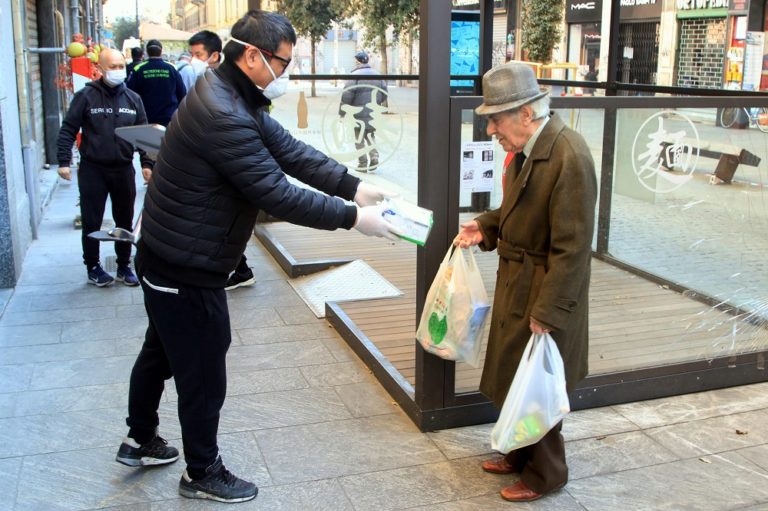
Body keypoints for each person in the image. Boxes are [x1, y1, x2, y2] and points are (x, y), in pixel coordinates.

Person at [117, 10, 399, 504]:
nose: (284, 74)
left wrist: (355, 187)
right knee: (202, 370)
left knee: (160, 350)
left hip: (169, 256)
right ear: (252, 55)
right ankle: (201, 471)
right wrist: (354, 219)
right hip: (186, 266)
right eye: (282, 64)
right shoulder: (222, 112)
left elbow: (290, 152)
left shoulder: (232, 95)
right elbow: (276, 192)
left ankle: (139, 440)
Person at [454, 62, 597, 502]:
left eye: (496, 118)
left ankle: (546, 473)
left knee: (537, 384)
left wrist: (550, 310)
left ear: (526, 114)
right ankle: (518, 453)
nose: (491, 128)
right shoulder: (529, 150)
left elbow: (572, 248)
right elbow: (515, 211)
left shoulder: (568, 156)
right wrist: (485, 226)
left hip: (543, 286)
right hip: (520, 281)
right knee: (515, 373)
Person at [56, 48, 153, 287]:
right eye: (113, 67)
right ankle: (93, 267)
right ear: (100, 68)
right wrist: (63, 162)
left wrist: (147, 164)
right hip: (93, 169)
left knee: (124, 221)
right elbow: (68, 128)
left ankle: (123, 265)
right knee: (92, 221)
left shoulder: (133, 99)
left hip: (122, 168)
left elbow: (143, 133)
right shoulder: (86, 96)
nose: (118, 71)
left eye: (121, 66)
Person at [339, 51, 388, 173]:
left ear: (358, 61)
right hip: (373, 114)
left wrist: (342, 113)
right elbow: (384, 93)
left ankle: (362, 163)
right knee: (370, 136)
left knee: (359, 138)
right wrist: (377, 103)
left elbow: (346, 96)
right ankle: (374, 156)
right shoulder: (377, 75)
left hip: (357, 114)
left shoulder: (354, 76)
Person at [127, 39, 186, 126]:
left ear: (147, 52)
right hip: (169, 117)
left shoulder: (139, 69)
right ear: (161, 51)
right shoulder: (171, 68)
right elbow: (182, 92)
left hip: (146, 117)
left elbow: (130, 93)